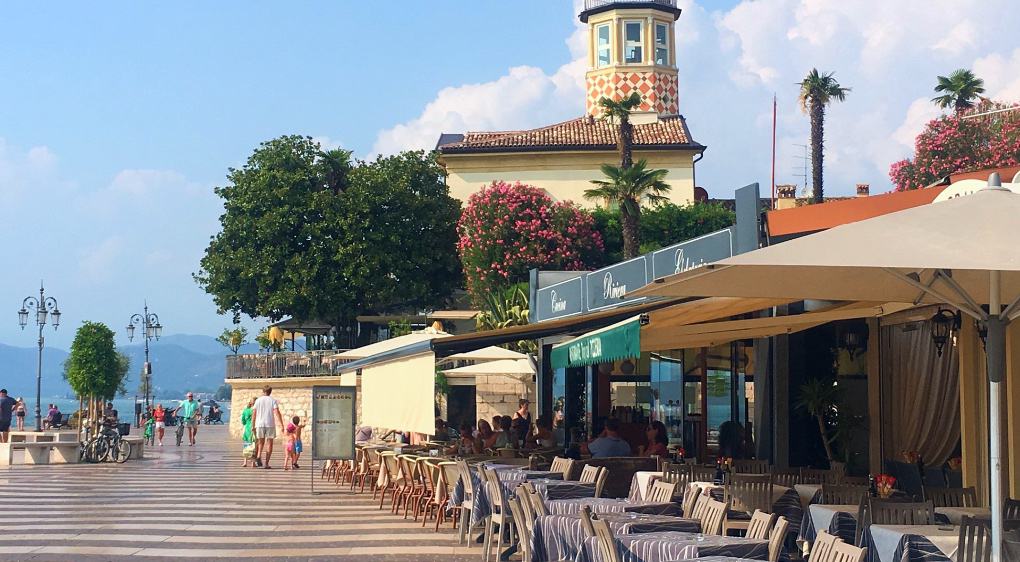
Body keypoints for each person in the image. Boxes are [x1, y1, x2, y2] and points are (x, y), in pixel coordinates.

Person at [252, 385, 284, 469]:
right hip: (270, 424)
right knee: (269, 443)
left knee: (260, 442)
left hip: (259, 424)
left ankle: (258, 455)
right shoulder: (272, 400)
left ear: (263, 391)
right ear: (270, 392)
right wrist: (281, 425)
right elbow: (277, 412)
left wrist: (253, 425)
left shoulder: (258, 400)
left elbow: (254, 413)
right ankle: (266, 463)